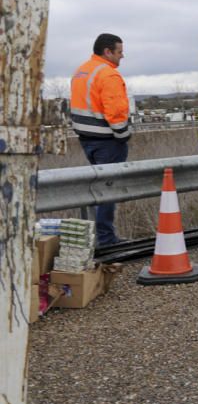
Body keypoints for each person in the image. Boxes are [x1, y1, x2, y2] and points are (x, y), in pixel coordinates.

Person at [70, 33, 132, 246]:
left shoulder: (82, 71)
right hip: (108, 141)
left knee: (99, 189)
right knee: (108, 190)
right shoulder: (108, 75)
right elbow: (116, 113)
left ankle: (103, 237)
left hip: (87, 139)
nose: (122, 56)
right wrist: (124, 136)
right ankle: (107, 240)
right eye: (119, 52)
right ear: (107, 51)